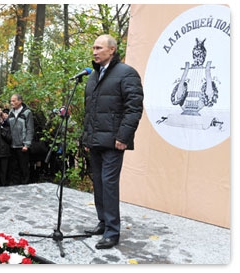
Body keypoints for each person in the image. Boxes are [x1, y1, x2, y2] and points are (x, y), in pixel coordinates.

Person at [82, 34, 144, 249]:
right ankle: (103, 222)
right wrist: (87, 138)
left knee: (108, 185)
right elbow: (90, 111)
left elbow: (134, 108)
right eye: (93, 48)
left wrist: (123, 137)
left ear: (112, 50)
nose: (94, 51)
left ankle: (112, 232)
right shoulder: (93, 76)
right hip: (96, 141)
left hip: (114, 142)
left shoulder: (126, 73)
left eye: (99, 48)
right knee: (98, 183)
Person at [7, 94, 34, 185]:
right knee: (14, 167)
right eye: (11, 101)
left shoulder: (27, 112)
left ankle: (25, 184)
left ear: (20, 101)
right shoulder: (11, 112)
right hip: (12, 145)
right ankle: (15, 185)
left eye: (14, 101)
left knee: (24, 167)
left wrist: (27, 144)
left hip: (22, 146)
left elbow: (30, 129)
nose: (12, 103)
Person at [0, 107, 12, 187]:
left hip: (4, 152)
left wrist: (1, 129)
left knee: (3, 171)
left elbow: (9, 138)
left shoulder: (6, 126)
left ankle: (3, 185)